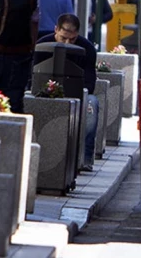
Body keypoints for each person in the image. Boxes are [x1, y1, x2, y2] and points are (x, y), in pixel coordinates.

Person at [34, 14, 98, 170]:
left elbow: (90, 79)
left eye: (72, 40)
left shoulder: (87, 48)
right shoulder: (42, 44)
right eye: (63, 38)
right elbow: (34, 73)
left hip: (77, 92)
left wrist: (82, 92)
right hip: (44, 91)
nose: (68, 43)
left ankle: (86, 157)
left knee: (92, 104)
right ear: (56, 29)